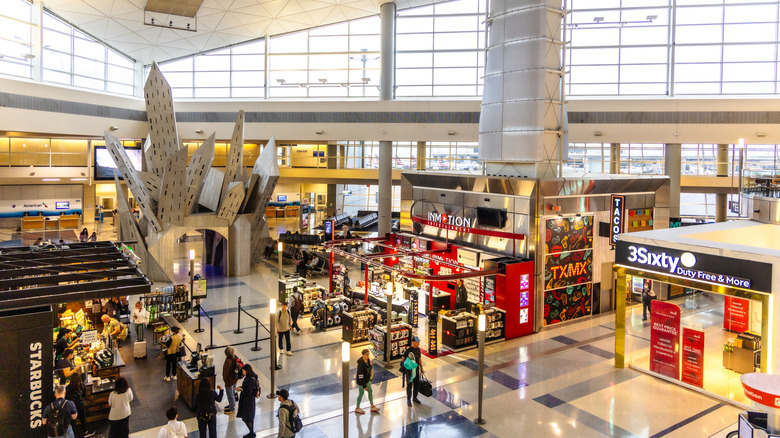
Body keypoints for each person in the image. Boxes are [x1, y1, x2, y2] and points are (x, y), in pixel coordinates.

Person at [65, 373, 95, 438]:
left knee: (73, 422)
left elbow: (66, 398)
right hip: (80, 405)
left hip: (71, 407)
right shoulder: (82, 386)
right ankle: (85, 432)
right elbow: (84, 396)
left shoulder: (67, 388)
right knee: (83, 419)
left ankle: (73, 435)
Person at [237, 363, 260, 438]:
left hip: (248, 401)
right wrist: (241, 387)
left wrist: (241, 389)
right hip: (247, 400)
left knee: (246, 418)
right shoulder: (248, 377)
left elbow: (248, 391)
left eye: (244, 371)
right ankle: (251, 432)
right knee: (249, 417)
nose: (243, 373)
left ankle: (251, 432)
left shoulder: (251, 380)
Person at [354, 349, 379, 414]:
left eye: (368, 354)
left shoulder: (368, 360)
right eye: (366, 354)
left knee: (370, 391)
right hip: (362, 382)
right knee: (361, 394)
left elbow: (370, 369)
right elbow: (360, 376)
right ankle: (357, 407)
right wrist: (364, 386)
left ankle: (372, 406)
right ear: (363, 355)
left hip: (367, 380)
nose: (368, 356)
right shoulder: (361, 364)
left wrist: (370, 366)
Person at [401, 335, 424, 407]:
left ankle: (414, 397)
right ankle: (408, 399)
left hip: (416, 370)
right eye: (417, 342)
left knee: (416, 384)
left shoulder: (418, 349)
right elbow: (402, 358)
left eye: (418, 342)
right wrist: (405, 367)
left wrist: (421, 367)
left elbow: (419, 358)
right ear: (413, 342)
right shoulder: (408, 350)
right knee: (409, 385)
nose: (418, 343)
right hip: (410, 372)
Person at [222, 346, 239, 414]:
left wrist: (224, 379)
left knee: (229, 393)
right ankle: (232, 404)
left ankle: (232, 408)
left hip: (229, 380)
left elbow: (225, 372)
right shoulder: (235, 357)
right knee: (233, 391)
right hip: (235, 378)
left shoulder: (228, 361)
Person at [276, 302, 292, 368]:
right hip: (281, 329)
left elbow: (289, 319)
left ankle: (288, 350)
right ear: (282, 306)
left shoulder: (288, 312)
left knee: (288, 340)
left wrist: (290, 325)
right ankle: (281, 349)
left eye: (285, 306)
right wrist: (277, 328)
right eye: (283, 305)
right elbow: (276, 321)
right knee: (280, 339)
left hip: (287, 329)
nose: (284, 307)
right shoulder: (279, 313)